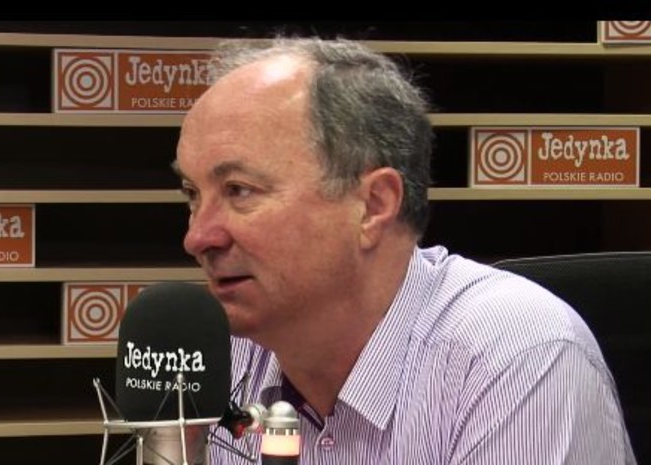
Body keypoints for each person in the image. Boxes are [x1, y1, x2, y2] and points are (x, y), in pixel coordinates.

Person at [173, 36, 637, 464]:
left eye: (239, 191)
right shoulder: (218, 356)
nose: (198, 237)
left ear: (373, 206)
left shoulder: (515, 357)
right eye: (193, 194)